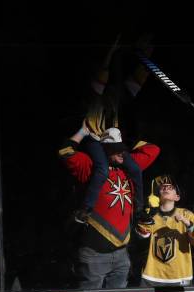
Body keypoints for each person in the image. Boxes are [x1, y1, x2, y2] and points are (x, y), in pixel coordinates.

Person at [59, 122, 160, 289]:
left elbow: (153, 149)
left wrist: (123, 143)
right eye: (116, 149)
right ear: (104, 150)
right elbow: (65, 151)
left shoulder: (129, 166)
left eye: (123, 149)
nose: (122, 152)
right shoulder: (90, 166)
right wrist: (83, 132)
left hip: (121, 254)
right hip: (93, 256)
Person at [73, 34, 154, 226]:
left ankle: (140, 211)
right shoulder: (97, 95)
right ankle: (85, 209)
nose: (114, 98)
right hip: (93, 138)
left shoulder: (119, 97)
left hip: (112, 142)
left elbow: (138, 80)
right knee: (101, 169)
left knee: (134, 168)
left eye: (116, 95)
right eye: (111, 94)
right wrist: (111, 52)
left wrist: (147, 56)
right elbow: (103, 70)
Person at [136, 175, 194, 286]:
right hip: (152, 276)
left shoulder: (187, 214)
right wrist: (147, 215)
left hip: (180, 276)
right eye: (163, 187)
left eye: (170, 187)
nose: (166, 188)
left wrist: (186, 223)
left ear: (177, 197)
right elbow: (141, 237)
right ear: (157, 195)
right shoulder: (151, 214)